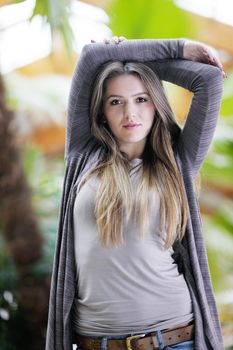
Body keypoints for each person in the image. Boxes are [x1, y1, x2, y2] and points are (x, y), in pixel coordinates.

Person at [46, 37, 225, 350]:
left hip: (173, 340)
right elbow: (92, 57)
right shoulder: (82, 153)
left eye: (142, 98)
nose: (131, 112)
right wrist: (177, 49)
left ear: (156, 103)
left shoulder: (179, 161)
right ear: (102, 111)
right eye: (116, 101)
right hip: (95, 342)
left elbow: (207, 79)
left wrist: (138, 63)